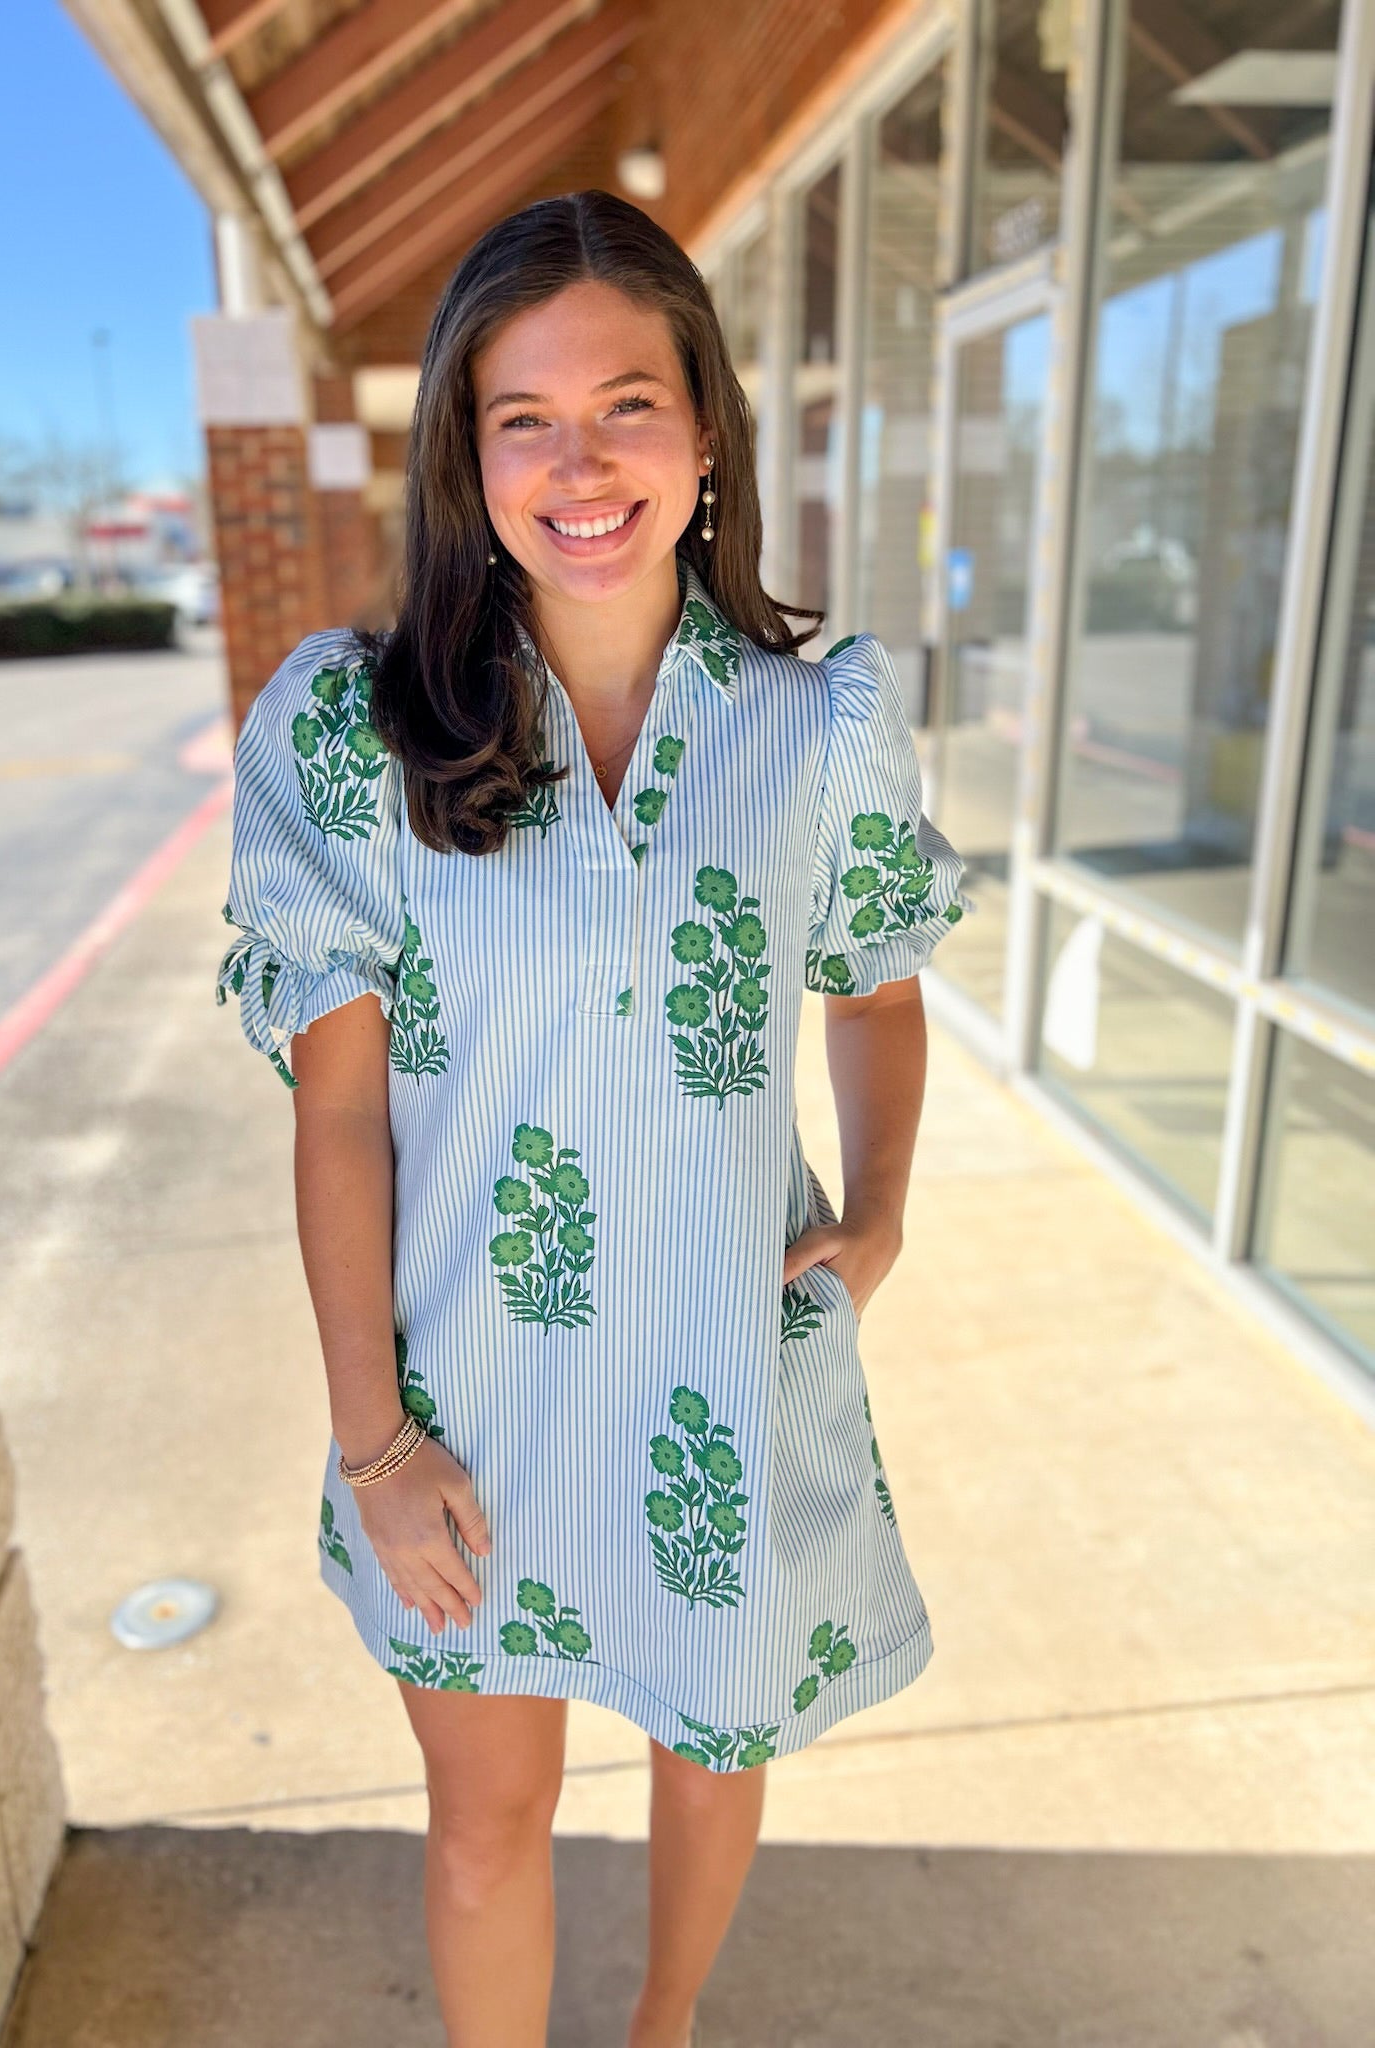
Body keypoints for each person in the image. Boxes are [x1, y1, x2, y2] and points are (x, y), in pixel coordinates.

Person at [217, 187, 974, 2048]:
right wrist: (374, 1443)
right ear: (464, 460)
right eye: (523, 416)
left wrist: (873, 1217)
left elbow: (876, 983)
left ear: (704, 427)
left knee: (717, 1751)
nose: (581, 460)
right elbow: (335, 1127)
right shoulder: (353, 733)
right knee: (490, 1819)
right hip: (463, 1409)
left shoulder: (818, 728)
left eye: (627, 402)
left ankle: (664, 2030)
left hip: (724, 1373)